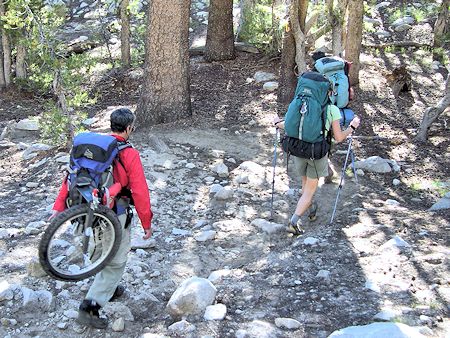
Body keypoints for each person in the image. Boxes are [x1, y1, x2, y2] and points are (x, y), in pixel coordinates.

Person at [51, 108, 153, 328]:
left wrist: (58, 207)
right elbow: (140, 191)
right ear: (129, 128)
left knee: (101, 250)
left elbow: (71, 176)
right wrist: (147, 223)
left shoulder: (94, 150)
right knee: (116, 262)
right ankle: (89, 308)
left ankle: (110, 287)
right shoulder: (127, 153)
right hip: (113, 216)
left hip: (84, 213)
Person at [274, 97, 360, 235]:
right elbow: (338, 137)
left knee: (305, 184)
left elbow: (291, 125)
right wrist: (352, 127)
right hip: (316, 153)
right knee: (309, 190)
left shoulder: (299, 103)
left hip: (298, 150)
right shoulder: (332, 109)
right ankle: (293, 222)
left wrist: (278, 123)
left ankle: (311, 207)